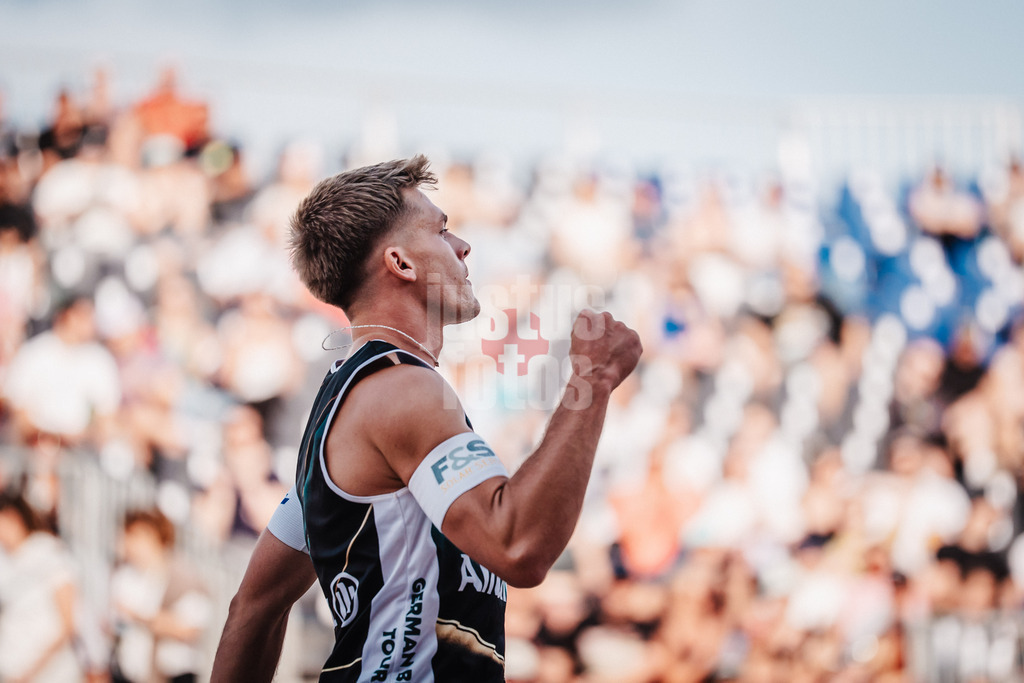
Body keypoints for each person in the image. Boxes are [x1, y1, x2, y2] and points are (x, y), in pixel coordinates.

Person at [211, 155, 642, 682]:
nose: (463, 246)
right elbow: (519, 547)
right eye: (441, 231)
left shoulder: (345, 399)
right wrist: (590, 383)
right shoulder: (403, 390)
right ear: (402, 264)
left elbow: (253, 609)